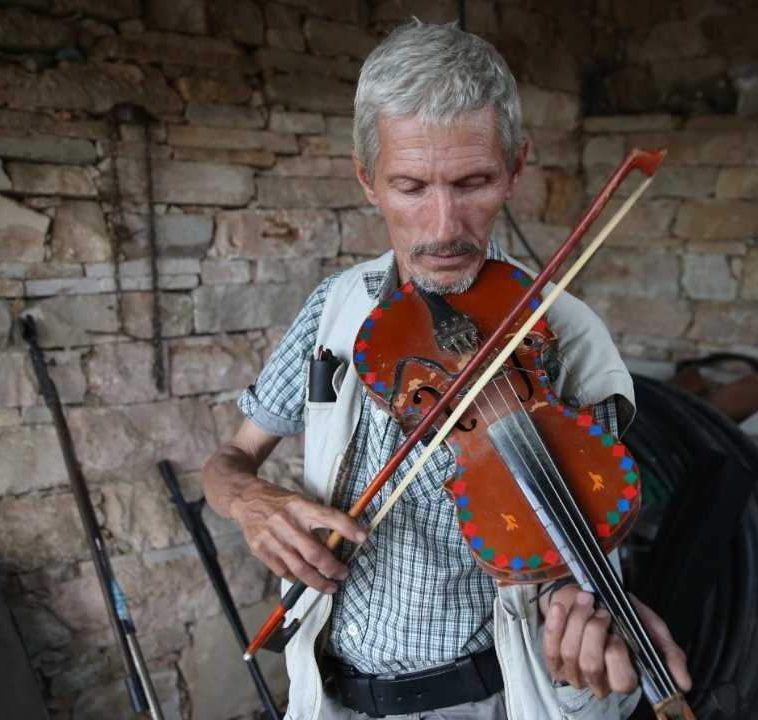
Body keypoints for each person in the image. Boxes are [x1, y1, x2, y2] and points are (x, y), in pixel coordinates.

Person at [203, 19, 690, 720]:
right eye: (410, 186)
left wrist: (583, 611)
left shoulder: (566, 335)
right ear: (366, 178)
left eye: (473, 182)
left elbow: (570, 546)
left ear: (516, 168)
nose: (443, 226)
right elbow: (226, 461)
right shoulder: (336, 308)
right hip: (329, 698)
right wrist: (250, 501)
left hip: (482, 701)